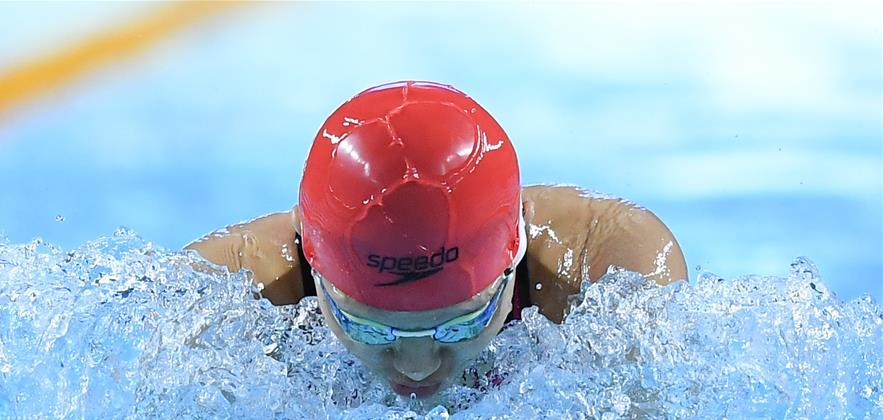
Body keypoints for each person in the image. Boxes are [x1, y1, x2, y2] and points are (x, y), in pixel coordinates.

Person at [187, 81, 687, 399]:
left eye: (460, 324)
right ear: (314, 268)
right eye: (368, 329)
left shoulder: (598, 269)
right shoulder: (230, 296)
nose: (418, 367)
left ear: (511, 259)